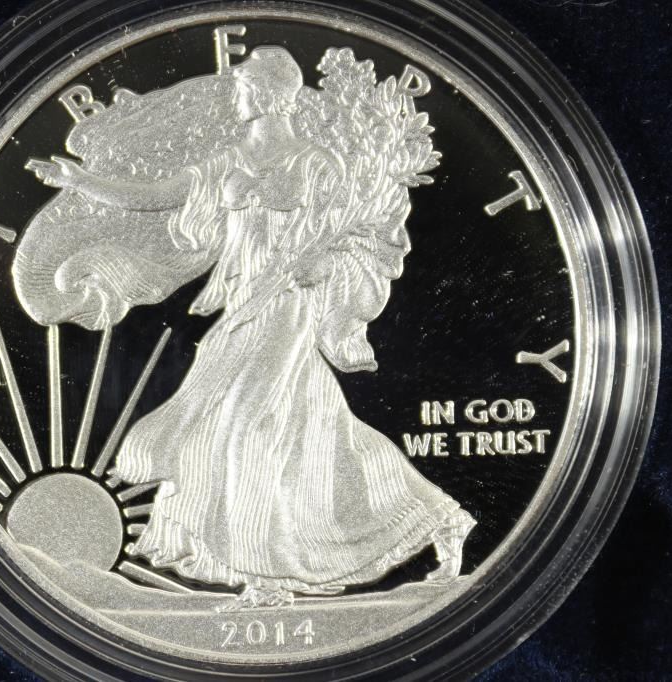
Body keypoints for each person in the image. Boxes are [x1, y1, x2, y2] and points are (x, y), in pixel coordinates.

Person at [28, 46, 475, 608]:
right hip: (244, 308)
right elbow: (156, 198)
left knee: (246, 425)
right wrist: (82, 180)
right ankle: (440, 519)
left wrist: (317, 260)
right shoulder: (228, 162)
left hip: (288, 306)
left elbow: (348, 233)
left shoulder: (318, 164)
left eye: (241, 89)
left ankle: (267, 577)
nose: (235, 99)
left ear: (264, 94)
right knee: (322, 432)